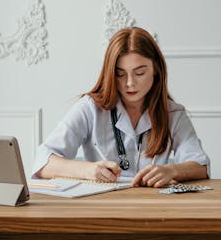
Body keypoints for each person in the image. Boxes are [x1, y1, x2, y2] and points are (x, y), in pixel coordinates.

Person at [31, 27, 210, 187]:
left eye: (140, 72)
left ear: (156, 69)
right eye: (120, 74)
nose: (130, 83)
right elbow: (42, 163)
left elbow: (200, 166)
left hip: (154, 208)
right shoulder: (90, 108)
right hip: (103, 207)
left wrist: (172, 171)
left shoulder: (173, 113)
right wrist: (88, 170)